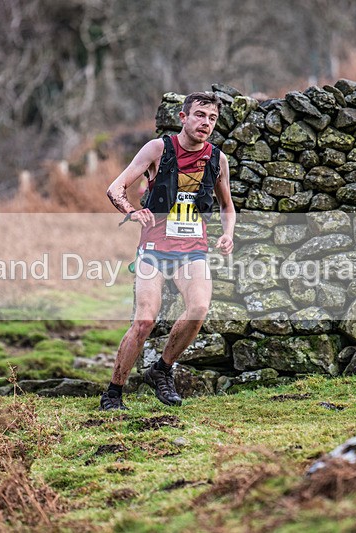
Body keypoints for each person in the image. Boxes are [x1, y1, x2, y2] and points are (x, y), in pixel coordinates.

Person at [102, 91, 235, 410]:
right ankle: (113, 393)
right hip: (154, 249)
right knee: (145, 321)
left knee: (198, 309)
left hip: (193, 249)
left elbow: (227, 206)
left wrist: (228, 234)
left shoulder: (217, 159)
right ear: (183, 117)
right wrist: (132, 211)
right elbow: (115, 188)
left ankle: (161, 369)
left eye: (212, 118)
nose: (206, 123)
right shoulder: (158, 149)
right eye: (200, 115)